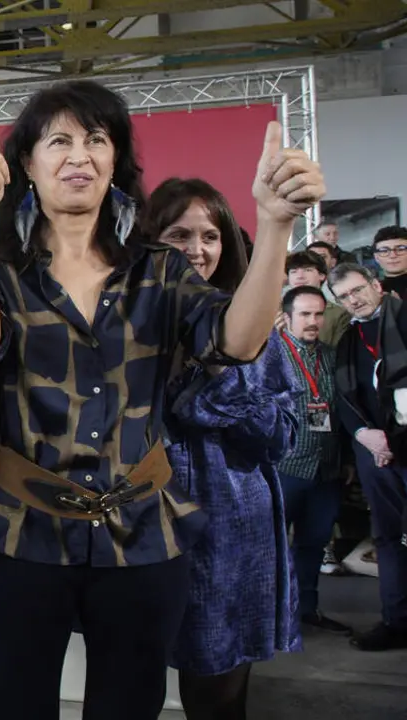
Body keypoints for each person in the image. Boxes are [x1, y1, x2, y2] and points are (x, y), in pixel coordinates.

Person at [0, 80, 324, 719]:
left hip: (143, 533)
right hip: (24, 532)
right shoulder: (4, 269)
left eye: (96, 139)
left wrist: (275, 225)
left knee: (129, 705)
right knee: (16, 704)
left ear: (115, 158)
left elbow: (236, 342)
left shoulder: (160, 269)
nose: (80, 155)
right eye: (59, 141)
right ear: (27, 164)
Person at [142, 177, 301, 720]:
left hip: (233, 528)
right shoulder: (125, 324)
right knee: (130, 679)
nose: (197, 249)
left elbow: (281, 436)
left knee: (220, 691)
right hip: (144, 525)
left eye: (210, 235)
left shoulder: (252, 322)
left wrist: (218, 375)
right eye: (178, 235)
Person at [328, 262, 407, 651]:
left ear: (376, 284)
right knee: (388, 538)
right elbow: (343, 397)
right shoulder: (348, 339)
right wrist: (365, 435)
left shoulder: (403, 320)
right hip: (375, 453)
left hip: (401, 445)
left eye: (357, 290)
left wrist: (394, 440)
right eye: (343, 296)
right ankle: (397, 621)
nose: (353, 300)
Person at [276, 285, 351, 634]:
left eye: (318, 314)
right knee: (273, 546)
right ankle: (271, 617)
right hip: (284, 467)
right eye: (305, 314)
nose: (313, 321)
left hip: (327, 469)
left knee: (314, 542)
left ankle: (307, 609)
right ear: (287, 317)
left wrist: (346, 461)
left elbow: (346, 410)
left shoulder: (332, 356)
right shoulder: (269, 357)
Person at [371, 226, 407, 298]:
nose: (392, 255)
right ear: (376, 257)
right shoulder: (373, 293)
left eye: (400, 249)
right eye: (384, 251)